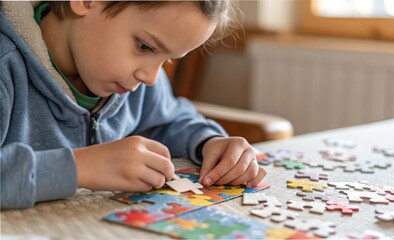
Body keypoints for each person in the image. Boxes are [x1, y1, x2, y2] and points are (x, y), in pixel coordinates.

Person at [0, 1, 266, 209]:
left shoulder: (134, 80)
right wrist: (79, 168)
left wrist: (210, 142)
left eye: (168, 60)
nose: (151, 78)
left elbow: (170, 119)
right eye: (145, 47)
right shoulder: (6, 66)